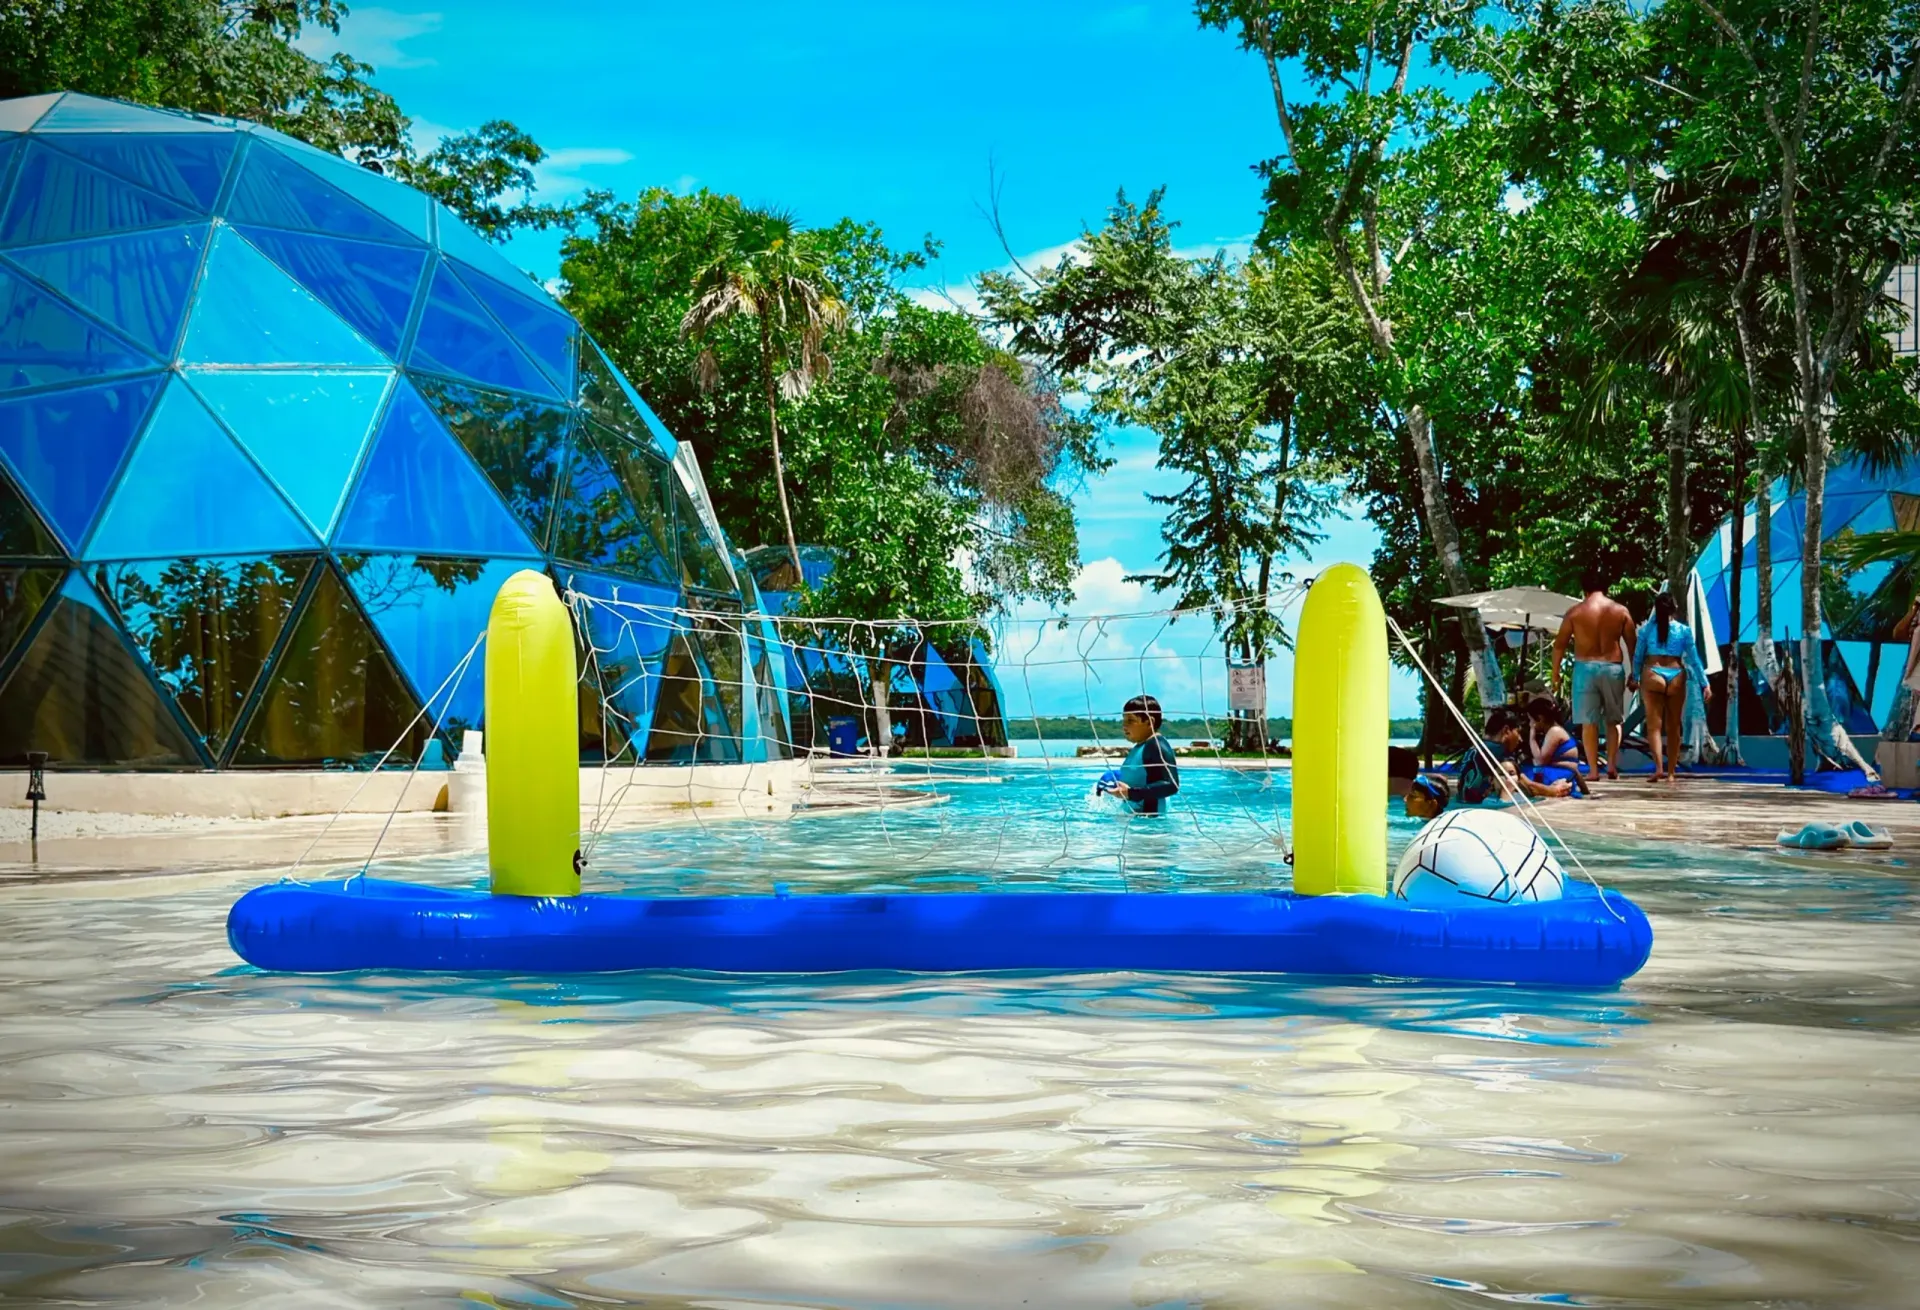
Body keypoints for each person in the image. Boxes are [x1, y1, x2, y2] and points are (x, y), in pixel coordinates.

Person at [1550, 572, 1636, 780]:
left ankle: (1594, 771)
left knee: (1589, 723)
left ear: (1584, 590)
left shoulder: (1575, 612)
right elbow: (1634, 644)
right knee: (1614, 719)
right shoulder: (1620, 611)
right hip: (1612, 667)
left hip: (1585, 669)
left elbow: (1559, 645)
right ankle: (1612, 765)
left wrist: (1555, 674)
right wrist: (1635, 672)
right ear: (1606, 588)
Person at [1632, 591, 1710, 784]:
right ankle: (1672, 773)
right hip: (1676, 674)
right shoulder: (1684, 631)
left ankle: (1658, 768)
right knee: (1674, 726)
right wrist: (1704, 684)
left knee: (1654, 726)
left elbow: (1638, 657)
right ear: (1673, 609)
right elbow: (1694, 659)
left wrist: (1634, 678)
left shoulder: (1646, 631)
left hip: (1653, 672)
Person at [1460, 707, 1573, 804]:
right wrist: (1555, 790)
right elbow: (1529, 787)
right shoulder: (1499, 750)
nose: (1520, 738)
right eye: (1517, 732)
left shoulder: (1477, 747)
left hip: (1463, 801)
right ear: (1507, 730)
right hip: (1481, 805)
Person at [1107, 694, 1180, 814]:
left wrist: (1131, 793)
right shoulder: (1141, 746)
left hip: (1150, 825)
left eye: (1130, 720)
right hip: (1138, 822)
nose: (1124, 725)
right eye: (1124, 720)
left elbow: (1171, 785)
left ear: (1149, 722)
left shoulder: (1155, 746)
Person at [1526, 694, 1589, 796]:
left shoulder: (1554, 732)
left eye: (1531, 720)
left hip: (1560, 773)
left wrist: (1532, 739)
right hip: (1563, 771)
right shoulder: (1554, 730)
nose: (1530, 724)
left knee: (1525, 775)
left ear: (1540, 718)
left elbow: (1540, 761)